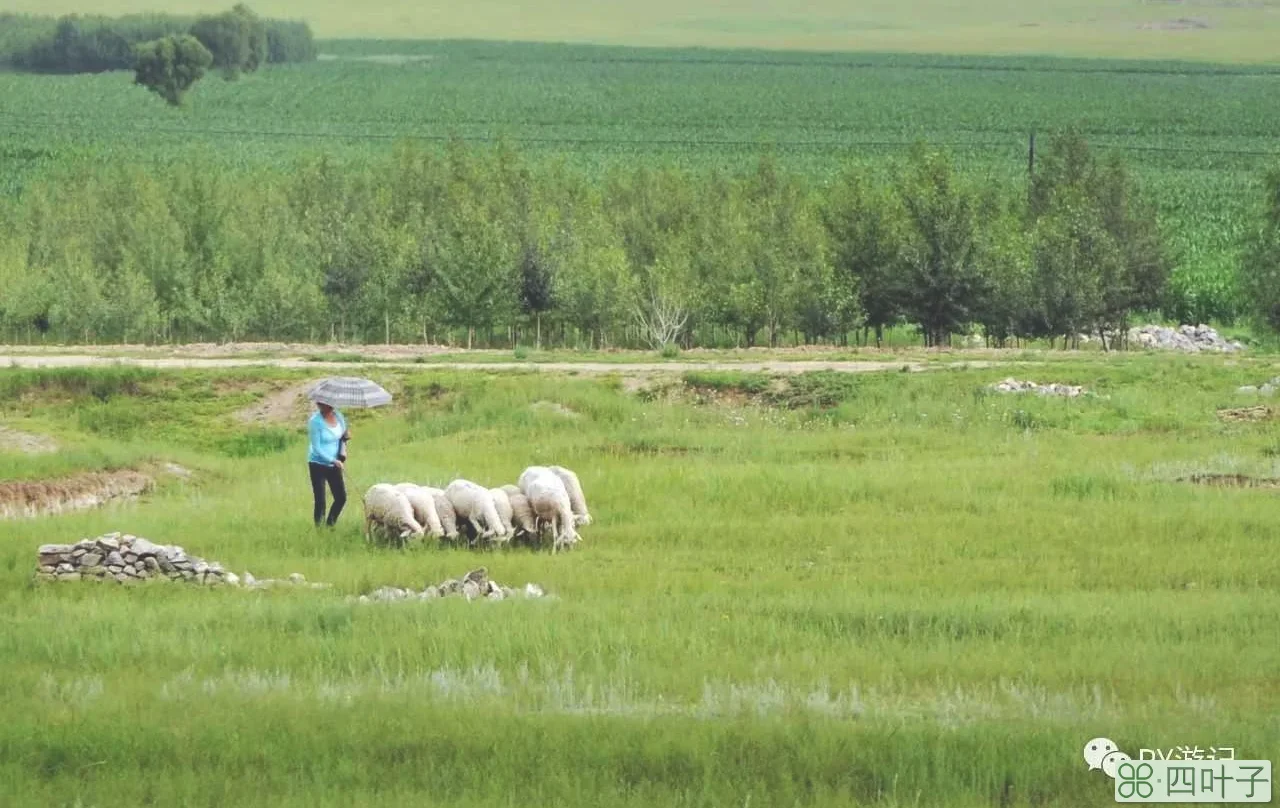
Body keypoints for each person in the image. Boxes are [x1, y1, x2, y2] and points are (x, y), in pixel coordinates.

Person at [308, 401, 350, 527]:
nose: (321, 407)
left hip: (335, 464)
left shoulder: (339, 416)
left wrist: (345, 444)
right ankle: (320, 531)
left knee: (341, 498)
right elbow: (316, 448)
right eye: (320, 404)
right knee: (320, 500)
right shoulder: (315, 422)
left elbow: (342, 435)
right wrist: (332, 460)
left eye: (325, 404)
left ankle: (330, 525)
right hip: (317, 464)